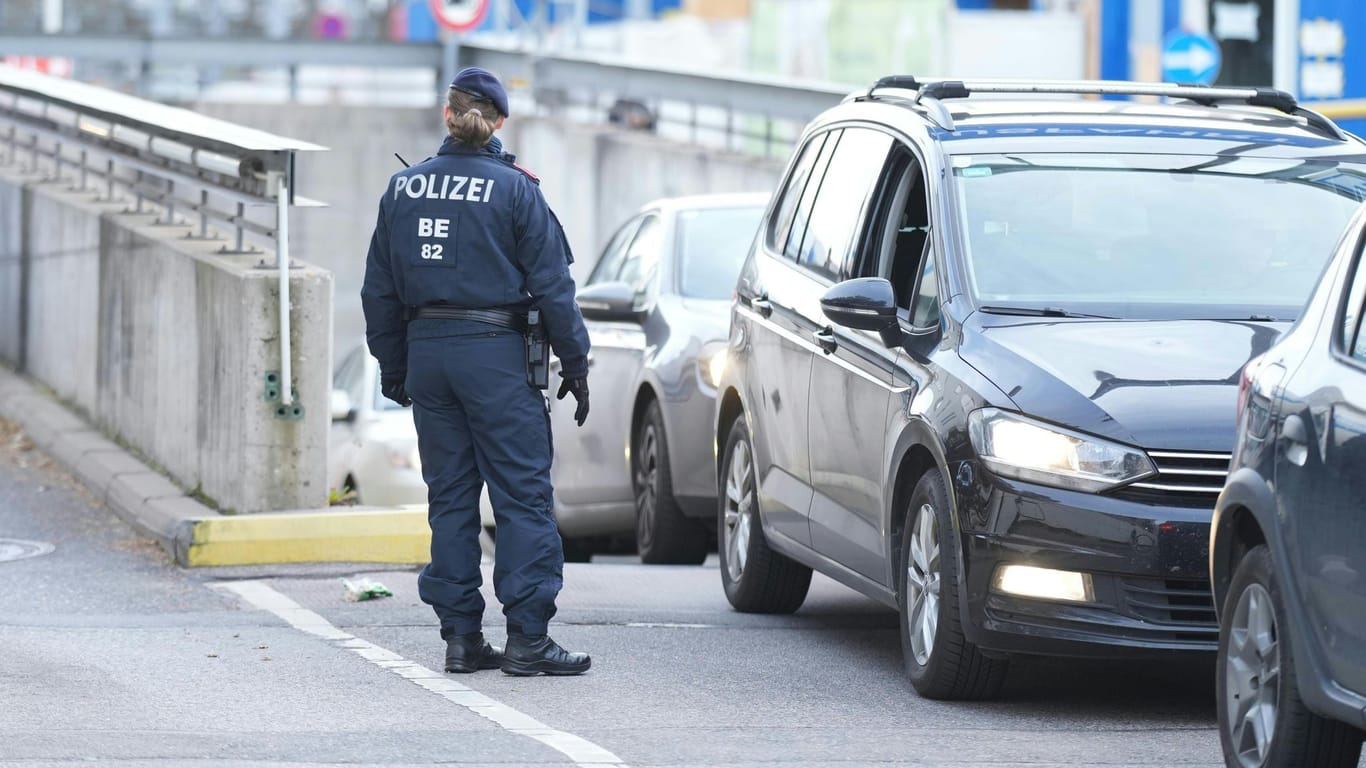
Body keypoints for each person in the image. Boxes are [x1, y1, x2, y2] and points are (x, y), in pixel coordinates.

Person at [361, 67, 592, 676]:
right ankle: (528, 641)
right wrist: (576, 362)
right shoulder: (517, 191)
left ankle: (461, 639)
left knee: (452, 500)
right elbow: (554, 288)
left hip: (429, 355)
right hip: (495, 356)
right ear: (497, 122)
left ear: (447, 115)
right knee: (522, 497)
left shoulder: (402, 189)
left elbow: (378, 292)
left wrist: (394, 366)